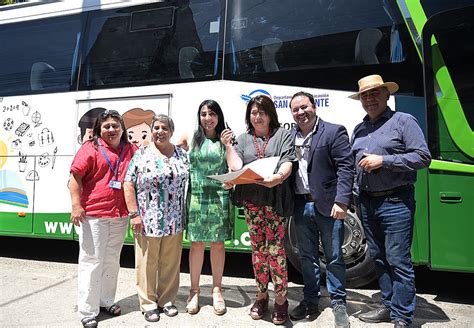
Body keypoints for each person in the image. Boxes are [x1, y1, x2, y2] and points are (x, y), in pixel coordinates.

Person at [350, 75, 431, 328]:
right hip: (366, 202)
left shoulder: (403, 122)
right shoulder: (359, 129)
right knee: (379, 258)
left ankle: (402, 316)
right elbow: (354, 167)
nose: (370, 99)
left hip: (396, 201)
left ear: (387, 95)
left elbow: (422, 157)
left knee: (398, 260)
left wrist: (384, 161)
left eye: (375, 93)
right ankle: (388, 305)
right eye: (365, 95)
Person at [221, 95, 295, 325]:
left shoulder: (283, 134)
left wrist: (279, 176)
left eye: (262, 112)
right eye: (253, 113)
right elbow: (236, 166)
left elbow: (288, 161)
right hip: (253, 202)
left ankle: (281, 300)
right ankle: (261, 296)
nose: (257, 116)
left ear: (270, 114)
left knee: (276, 251)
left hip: (275, 201)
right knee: (258, 252)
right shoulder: (243, 139)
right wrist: (228, 149)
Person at [288, 91, 352, 327]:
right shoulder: (289, 136)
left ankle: (338, 302)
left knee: (334, 257)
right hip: (301, 204)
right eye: (295, 109)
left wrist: (342, 201)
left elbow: (346, 168)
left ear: (314, 107)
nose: (300, 112)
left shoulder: (334, 131)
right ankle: (310, 300)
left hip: (328, 204)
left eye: (304, 107)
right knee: (307, 257)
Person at [69, 110, 136, 328]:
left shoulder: (130, 149)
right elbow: (74, 177)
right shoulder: (91, 148)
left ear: (122, 127)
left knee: (111, 261)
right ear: (99, 129)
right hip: (94, 215)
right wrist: (76, 205)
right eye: (106, 126)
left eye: (115, 125)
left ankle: (106, 302)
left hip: (118, 215)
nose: (111, 130)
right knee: (91, 261)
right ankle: (87, 310)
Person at [123, 114, 189, 323]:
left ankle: (166, 300)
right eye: (156, 128)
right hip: (147, 220)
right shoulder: (142, 154)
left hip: (175, 220)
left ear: (171, 131)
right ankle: (149, 303)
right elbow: (128, 183)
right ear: (152, 131)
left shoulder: (181, 155)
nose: (160, 131)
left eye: (165, 128)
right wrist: (134, 214)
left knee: (171, 263)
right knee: (146, 263)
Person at [181, 100, 233, 315]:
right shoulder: (190, 137)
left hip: (219, 198)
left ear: (219, 116)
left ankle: (217, 291)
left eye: (212, 113)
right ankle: (194, 291)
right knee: (197, 245)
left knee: (218, 245)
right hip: (196, 198)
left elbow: (235, 166)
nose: (207, 118)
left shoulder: (227, 137)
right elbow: (169, 152)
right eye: (203, 113)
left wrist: (228, 145)